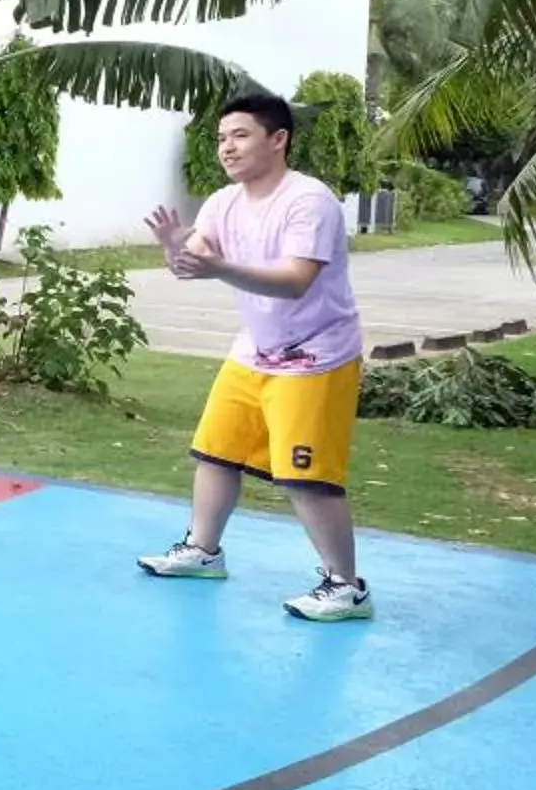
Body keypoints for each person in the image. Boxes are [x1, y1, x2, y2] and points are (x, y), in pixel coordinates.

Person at [135, 89, 372, 621]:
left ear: (278, 139)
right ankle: (203, 551)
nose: (227, 148)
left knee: (305, 478)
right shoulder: (223, 202)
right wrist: (175, 246)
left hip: (317, 356)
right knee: (215, 452)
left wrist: (218, 267)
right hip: (255, 352)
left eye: (240, 135)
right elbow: (192, 264)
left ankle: (347, 586)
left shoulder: (308, 201)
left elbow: (294, 281)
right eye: (222, 138)